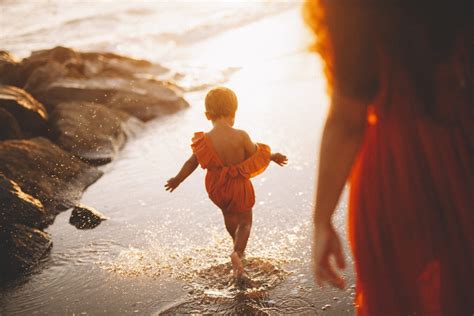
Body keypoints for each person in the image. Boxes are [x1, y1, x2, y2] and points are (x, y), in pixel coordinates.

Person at [304, 1, 473, 315]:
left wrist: (321, 220)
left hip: (399, 169)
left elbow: (347, 119)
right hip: (463, 141)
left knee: (405, 295)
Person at [165, 87, 288, 280]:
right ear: (234, 113)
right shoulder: (240, 135)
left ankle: (236, 244)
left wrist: (177, 180)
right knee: (245, 221)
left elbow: (191, 163)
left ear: (207, 115)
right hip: (238, 184)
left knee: (229, 215)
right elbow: (256, 154)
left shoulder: (203, 141)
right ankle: (237, 253)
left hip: (216, 187)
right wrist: (272, 156)